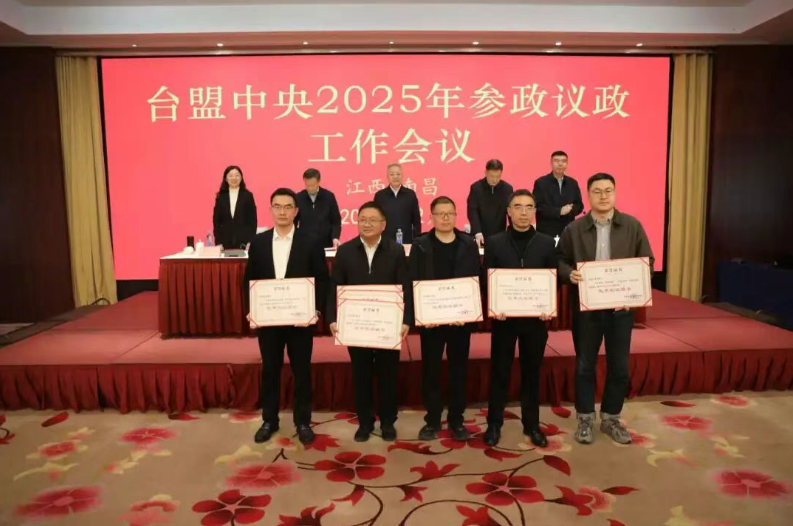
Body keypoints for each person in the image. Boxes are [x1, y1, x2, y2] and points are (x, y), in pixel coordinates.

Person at [558, 173, 654, 445]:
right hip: (586, 310)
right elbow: (560, 259)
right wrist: (568, 274)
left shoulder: (632, 225)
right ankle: (585, 418)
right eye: (597, 191)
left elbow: (647, 262)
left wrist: (634, 291)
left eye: (608, 190)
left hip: (620, 310)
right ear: (588, 195)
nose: (603, 196)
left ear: (615, 193)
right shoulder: (574, 229)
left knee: (619, 367)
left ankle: (611, 418)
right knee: (584, 366)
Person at [245, 188, 329, 445]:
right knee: (270, 371)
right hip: (269, 321)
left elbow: (321, 279)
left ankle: (303, 421)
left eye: (287, 207)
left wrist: (316, 310)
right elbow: (249, 280)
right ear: (271, 210)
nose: (282, 212)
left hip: (300, 321)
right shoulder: (258, 242)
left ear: (296, 211)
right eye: (277, 206)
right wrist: (253, 309)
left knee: (301, 372)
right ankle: (269, 420)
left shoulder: (311, 241)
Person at [328, 202, 412, 442]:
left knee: (388, 375)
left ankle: (387, 422)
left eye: (372, 220)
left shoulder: (396, 251)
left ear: (383, 225)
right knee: (361, 375)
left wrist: (406, 320)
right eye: (362, 219)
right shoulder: (345, 251)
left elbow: (405, 287)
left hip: (387, 325)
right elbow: (335, 286)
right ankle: (365, 422)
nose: (366, 224)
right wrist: (333, 318)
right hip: (356, 326)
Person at [482, 189, 557, 447]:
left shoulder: (546, 243)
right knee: (499, 372)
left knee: (532, 373)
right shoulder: (495, 242)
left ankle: (532, 425)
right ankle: (494, 424)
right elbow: (487, 279)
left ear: (534, 212)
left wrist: (548, 305)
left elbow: (552, 280)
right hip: (504, 320)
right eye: (518, 207)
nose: (523, 212)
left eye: (528, 207)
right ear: (509, 212)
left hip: (535, 321)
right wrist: (495, 305)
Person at [408, 196, 481, 441]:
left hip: (460, 322)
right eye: (440, 214)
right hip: (431, 322)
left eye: (450, 213)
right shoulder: (420, 245)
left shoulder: (468, 244)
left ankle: (456, 420)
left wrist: (468, 311)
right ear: (431, 217)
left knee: (459, 370)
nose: (446, 218)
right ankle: (432, 420)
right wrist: (420, 315)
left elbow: (476, 279)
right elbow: (412, 281)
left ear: (456, 215)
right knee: (431, 371)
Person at [532, 151, 584, 241]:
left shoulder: (573, 183)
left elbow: (579, 205)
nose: (560, 164)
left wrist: (570, 210)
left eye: (563, 161)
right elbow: (537, 206)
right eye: (556, 161)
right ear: (551, 163)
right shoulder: (541, 183)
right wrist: (559, 211)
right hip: (546, 232)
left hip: (568, 230)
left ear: (567, 164)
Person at [467, 159, 514, 248]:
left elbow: (511, 213)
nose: (495, 180)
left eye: (498, 176)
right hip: (480, 235)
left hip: (500, 235)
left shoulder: (507, 189)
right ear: (486, 173)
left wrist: (514, 232)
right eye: (492, 176)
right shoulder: (476, 188)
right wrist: (477, 232)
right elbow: (472, 211)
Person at [373, 163, 422, 244]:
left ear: (402, 176)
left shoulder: (410, 194)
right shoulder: (380, 196)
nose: (395, 177)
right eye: (392, 174)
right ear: (387, 176)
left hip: (407, 240)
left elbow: (416, 220)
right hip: (385, 240)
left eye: (398, 174)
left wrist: (417, 240)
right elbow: (376, 219)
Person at [295, 168, 342, 249]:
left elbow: (336, 221)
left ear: (319, 181)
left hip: (325, 244)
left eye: (312, 185)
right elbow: (293, 221)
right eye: (307, 185)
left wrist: (335, 238)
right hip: (304, 245)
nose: (310, 188)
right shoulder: (299, 197)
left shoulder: (329, 196)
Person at [213, 165, 258, 250]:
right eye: (231, 175)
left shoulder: (248, 195)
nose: (234, 178)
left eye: (237, 175)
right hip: (224, 242)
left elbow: (253, 221)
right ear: (226, 178)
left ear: (241, 178)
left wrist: (250, 241)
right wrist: (218, 242)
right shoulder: (221, 196)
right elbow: (216, 221)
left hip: (244, 242)